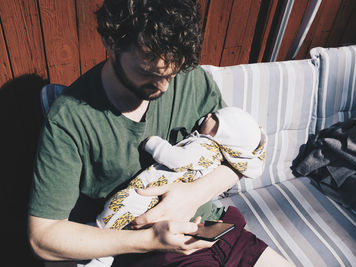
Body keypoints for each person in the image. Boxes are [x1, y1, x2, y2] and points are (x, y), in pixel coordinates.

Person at [28, 0, 292, 266]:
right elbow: (43, 236)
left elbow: (248, 156)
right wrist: (150, 240)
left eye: (172, 72)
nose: (164, 86)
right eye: (148, 72)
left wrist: (194, 195)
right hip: (143, 251)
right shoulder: (70, 119)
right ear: (111, 41)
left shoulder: (192, 79)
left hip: (209, 227)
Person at [87, 106, 267, 266]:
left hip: (150, 194)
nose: (209, 114)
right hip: (165, 214)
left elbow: (177, 159)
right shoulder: (216, 153)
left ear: (222, 133)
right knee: (114, 219)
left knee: (114, 213)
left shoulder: (205, 146)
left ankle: (100, 255)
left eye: (215, 118)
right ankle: (100, 249)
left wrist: (154, 144)